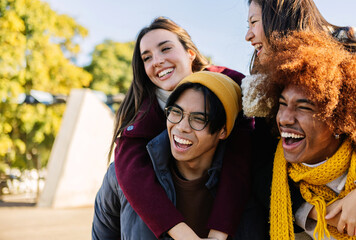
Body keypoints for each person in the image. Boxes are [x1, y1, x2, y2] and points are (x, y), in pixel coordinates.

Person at [107, 17, 253, 239]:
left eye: (165, 49)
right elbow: (130, 169)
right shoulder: (144, 110)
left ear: (190, 53)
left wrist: (219, 232)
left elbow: (241, 159)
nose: (157, 61)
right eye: (147, 58)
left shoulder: (229, 86)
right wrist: (182, 233)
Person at [242, 0, 356, 238]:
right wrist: (316, 211)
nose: (248, 35)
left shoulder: (348, 54)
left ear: (278, 18)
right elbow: (262, 168)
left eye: (254, 22)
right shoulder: (261, 89)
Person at [92, 71, 247, 239]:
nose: (181, 127)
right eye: (176, 112)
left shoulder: (244, 187)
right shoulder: (119, 178)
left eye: (198, 119)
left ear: (223, 130)